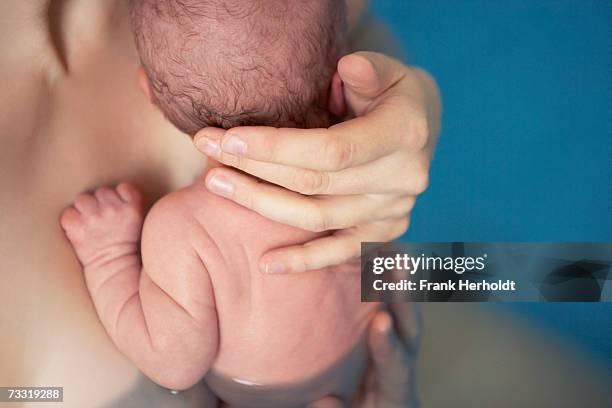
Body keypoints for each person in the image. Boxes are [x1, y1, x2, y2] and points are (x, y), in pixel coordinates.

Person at [0, 0, 438, 406]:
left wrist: (110, 258)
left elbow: (174, 362)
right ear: (337, 89)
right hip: (371, 350)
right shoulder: (342, 138)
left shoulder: (184, 227)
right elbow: (466, 273)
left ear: (149, 94)